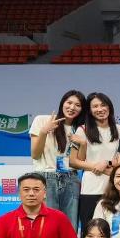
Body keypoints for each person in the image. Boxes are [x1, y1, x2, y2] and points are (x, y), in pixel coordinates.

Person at [70, 92, 120, 234]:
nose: (100, 109)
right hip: (90, 188)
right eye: (95, 106)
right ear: (89, 110)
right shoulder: (82, 130)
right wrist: (98, 166)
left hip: (115, 187)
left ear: (109, 107)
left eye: (103, 105)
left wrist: (106, 162)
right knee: (89, 229)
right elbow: (74, 161)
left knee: (114, 231)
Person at [29, 90, 87, 227]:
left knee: (69, 226)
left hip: (71, 178)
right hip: (46, 178)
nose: (72, 107)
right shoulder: (42, 120)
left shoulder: (80, 129)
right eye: (69, 103)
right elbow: (35, 154)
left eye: (77, 105)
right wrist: (44, 131)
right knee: (46, 226)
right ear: (62, 103)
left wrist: (83, 143)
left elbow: (79, 161)